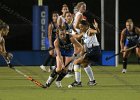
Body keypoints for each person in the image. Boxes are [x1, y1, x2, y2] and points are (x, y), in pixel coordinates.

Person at [68, 19, 101, 88]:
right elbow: (77, 36)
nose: (81, 28)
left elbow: (97, 32)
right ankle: (92, 81)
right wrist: (69, 33)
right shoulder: (84, 33)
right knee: (84, 64)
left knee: (76, 62)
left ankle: (78, 82)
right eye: (80, 27)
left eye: (82, 27)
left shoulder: (89, 31)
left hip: (94, 50)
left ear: (86, 26)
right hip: (92, 51)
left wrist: (97, 27)